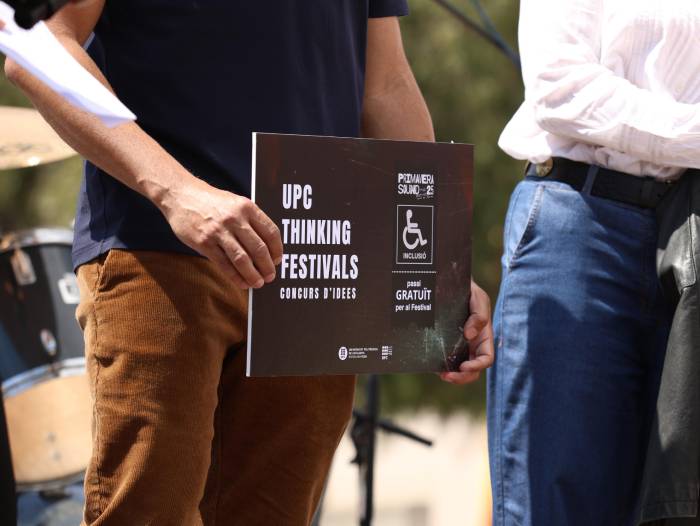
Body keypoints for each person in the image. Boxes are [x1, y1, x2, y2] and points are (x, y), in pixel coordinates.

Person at [5, 2, 493, 524]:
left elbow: (386, 84)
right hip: (160, 246)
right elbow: (39, 44)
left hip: (318, 264)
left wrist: (438, 259)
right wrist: (176, 192)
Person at [488, 0, 700, 525]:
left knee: (677, 506)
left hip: (691, 225)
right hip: (581, 227)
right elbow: (562, 90)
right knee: (554, 507)